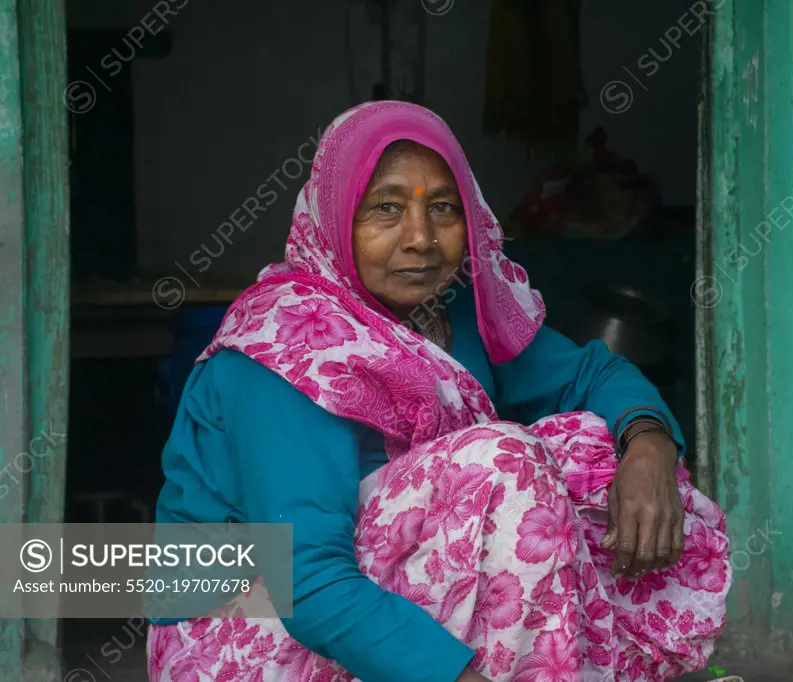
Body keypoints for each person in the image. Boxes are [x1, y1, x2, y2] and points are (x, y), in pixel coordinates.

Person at [147, 101, 730, 682]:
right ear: (335, 218)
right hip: (239, 632)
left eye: (444, 209)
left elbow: (593, 377)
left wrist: (650, 448)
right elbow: (312, 583)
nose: (421, 238)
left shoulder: (452, 318)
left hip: (359, 606)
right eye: (386, 209)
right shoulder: (289, 347)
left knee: (586, 445)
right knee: (503, 465)